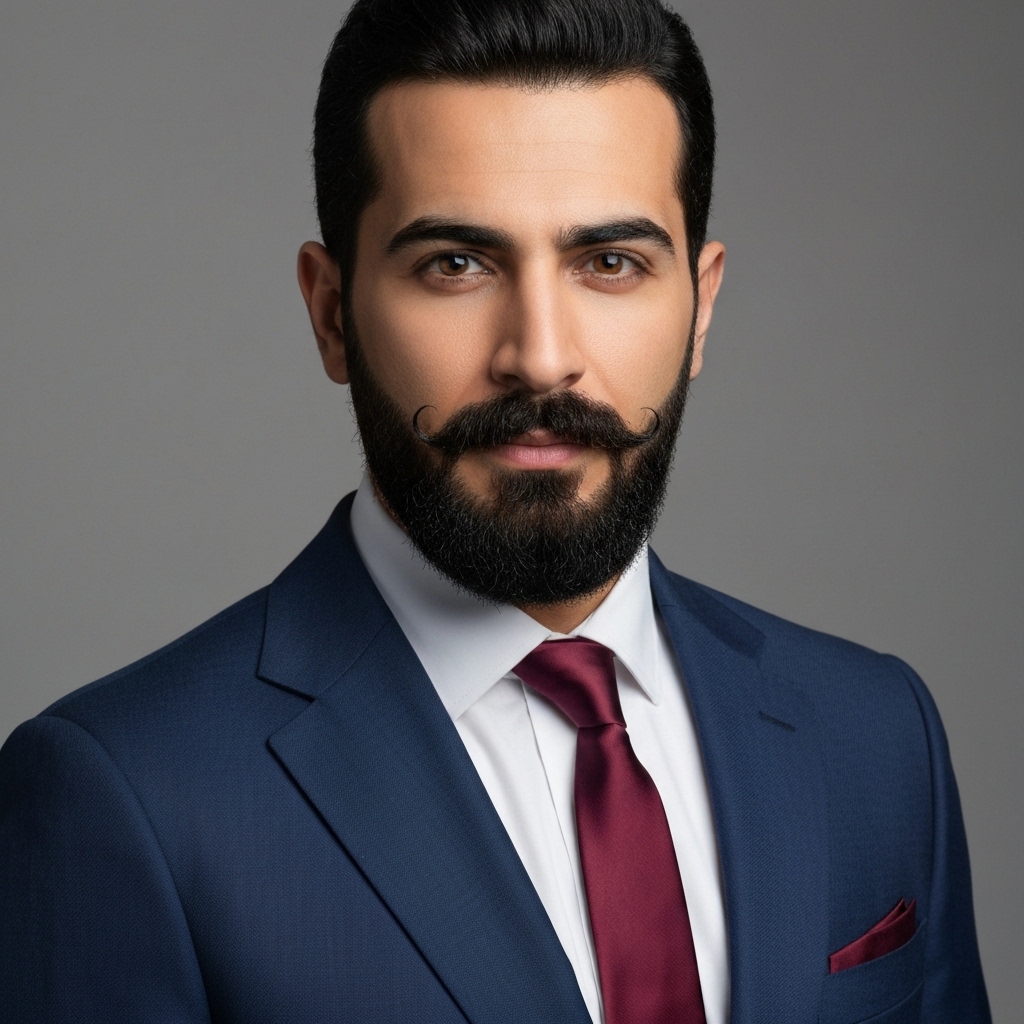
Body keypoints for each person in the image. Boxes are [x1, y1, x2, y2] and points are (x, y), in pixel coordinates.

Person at [0, 0, 990, 1021]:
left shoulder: (875, 735)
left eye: (610, 262)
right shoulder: (126, 795)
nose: (539, 352)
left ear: (700, 305)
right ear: (332, 314)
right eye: (455, 265)